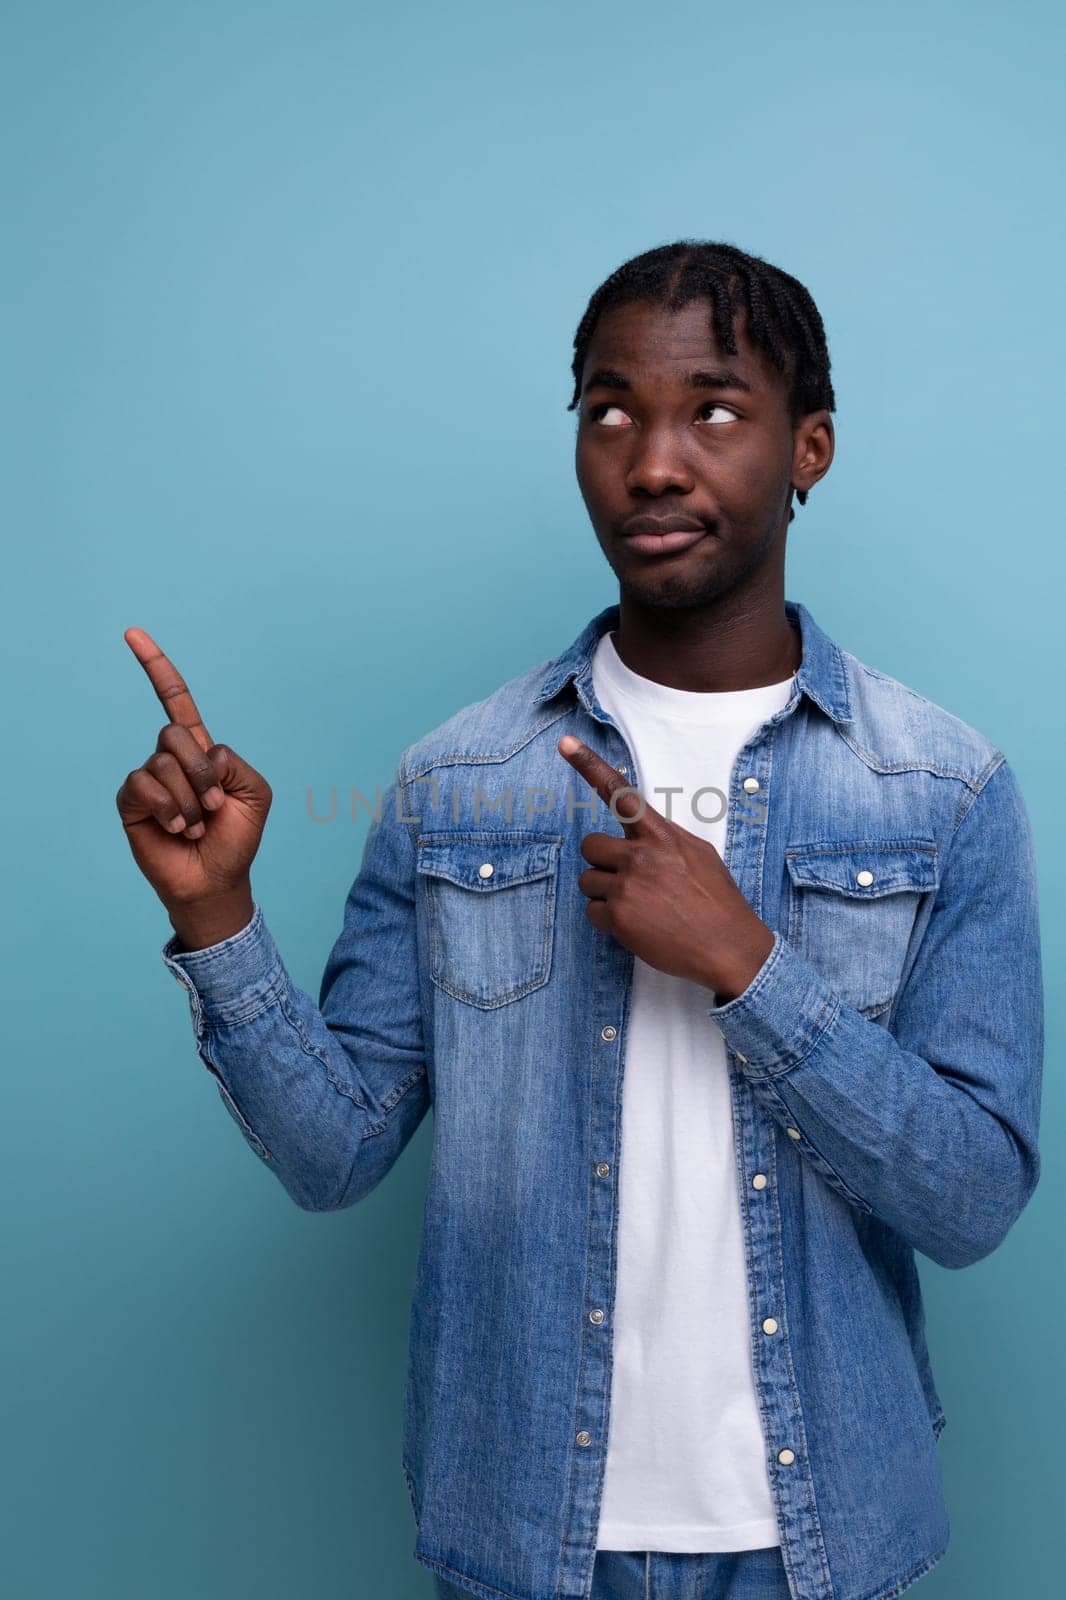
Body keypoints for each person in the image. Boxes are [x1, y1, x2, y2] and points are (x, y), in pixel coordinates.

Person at [116, 240, 1044, 1600]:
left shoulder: (940, 788)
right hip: (521, 1531)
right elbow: (334, 1154)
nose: (652, 460)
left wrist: (742, 965)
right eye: (610, 411)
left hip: (819, 1536)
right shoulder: (459, 780)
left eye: (713, 410)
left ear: (811, 448)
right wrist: (218, 919)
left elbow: (971, 1198)